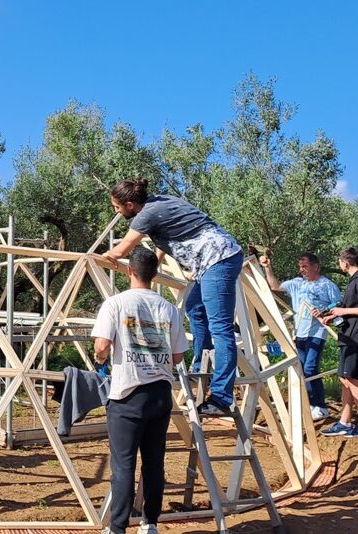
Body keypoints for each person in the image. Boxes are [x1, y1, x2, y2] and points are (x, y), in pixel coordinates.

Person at [101, 178, 243, 416]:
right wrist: (153, 267)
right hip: (210, 262)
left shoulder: (146, 215)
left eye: (116, 207)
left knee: (221, 328)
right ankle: (201, 365)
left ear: (129, 204)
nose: (115, 212)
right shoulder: (159, 203)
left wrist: (104, 257)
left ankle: (221, 397)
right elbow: (163, 243)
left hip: (217, 258)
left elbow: (122, 249)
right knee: (195, 307)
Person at [93, 248, 187, 534]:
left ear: (129, 271)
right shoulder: (168, 308)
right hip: (160, 395)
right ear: (154, 274)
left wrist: (101, 359)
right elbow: (178, 356)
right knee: (154, 463)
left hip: (127, 395)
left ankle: (118, 528)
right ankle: (150, 524)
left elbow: (101, 346)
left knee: (123, 466)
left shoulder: (115, 304)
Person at [261, 252, 342, 420]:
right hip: (300, 333)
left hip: (317, 332)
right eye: (300, 267)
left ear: (316, 267)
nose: (302, 270)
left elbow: (338, 307)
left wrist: (325, 313)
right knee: (302, 370)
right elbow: (275, 287)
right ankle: (308, 405)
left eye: (305, 266)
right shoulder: (297, 284)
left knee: (310, 368)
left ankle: (320, 406)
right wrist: (267, 268)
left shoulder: (327, 285)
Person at [318, 247, 358, 438]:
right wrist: (331, 315)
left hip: (357, 337)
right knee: (345, 378)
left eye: (340, 262)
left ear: (345, 263)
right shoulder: (356, 280)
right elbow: (351, 309)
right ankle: (344, 422)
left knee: (351, 378)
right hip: (349, 336)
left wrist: (342, 312)